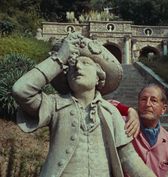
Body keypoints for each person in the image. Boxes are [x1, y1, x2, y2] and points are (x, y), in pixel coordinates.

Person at [12, 32, 156, 177]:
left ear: (99, 77)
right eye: (73, 65)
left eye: (86, 63)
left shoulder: (111, 112)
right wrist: (60, 58)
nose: (78, 68)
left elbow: (129, 158)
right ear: (67, 77)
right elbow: (21, 90)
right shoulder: (54, 105)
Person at [113, 84, 168, 177]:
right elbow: (102, 104)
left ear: (163, 109)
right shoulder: (124, 123)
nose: (147, 104)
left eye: (153, 100)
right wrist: (129, 110)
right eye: (143, 99)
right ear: (138, 103)